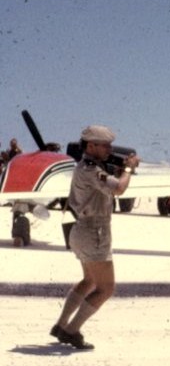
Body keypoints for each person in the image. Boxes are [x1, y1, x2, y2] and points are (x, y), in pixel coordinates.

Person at [50, 125, 140, 350]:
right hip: (94, 232)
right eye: (105, 145)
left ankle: (61, 325)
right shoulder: (91, 170)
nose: (110, 149)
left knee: (89, 280)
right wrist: (128, 169)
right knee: (105, 288)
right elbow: (119, 189)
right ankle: (71, 331)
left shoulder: (86, 167)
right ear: (91, 146)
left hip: (81, 229)